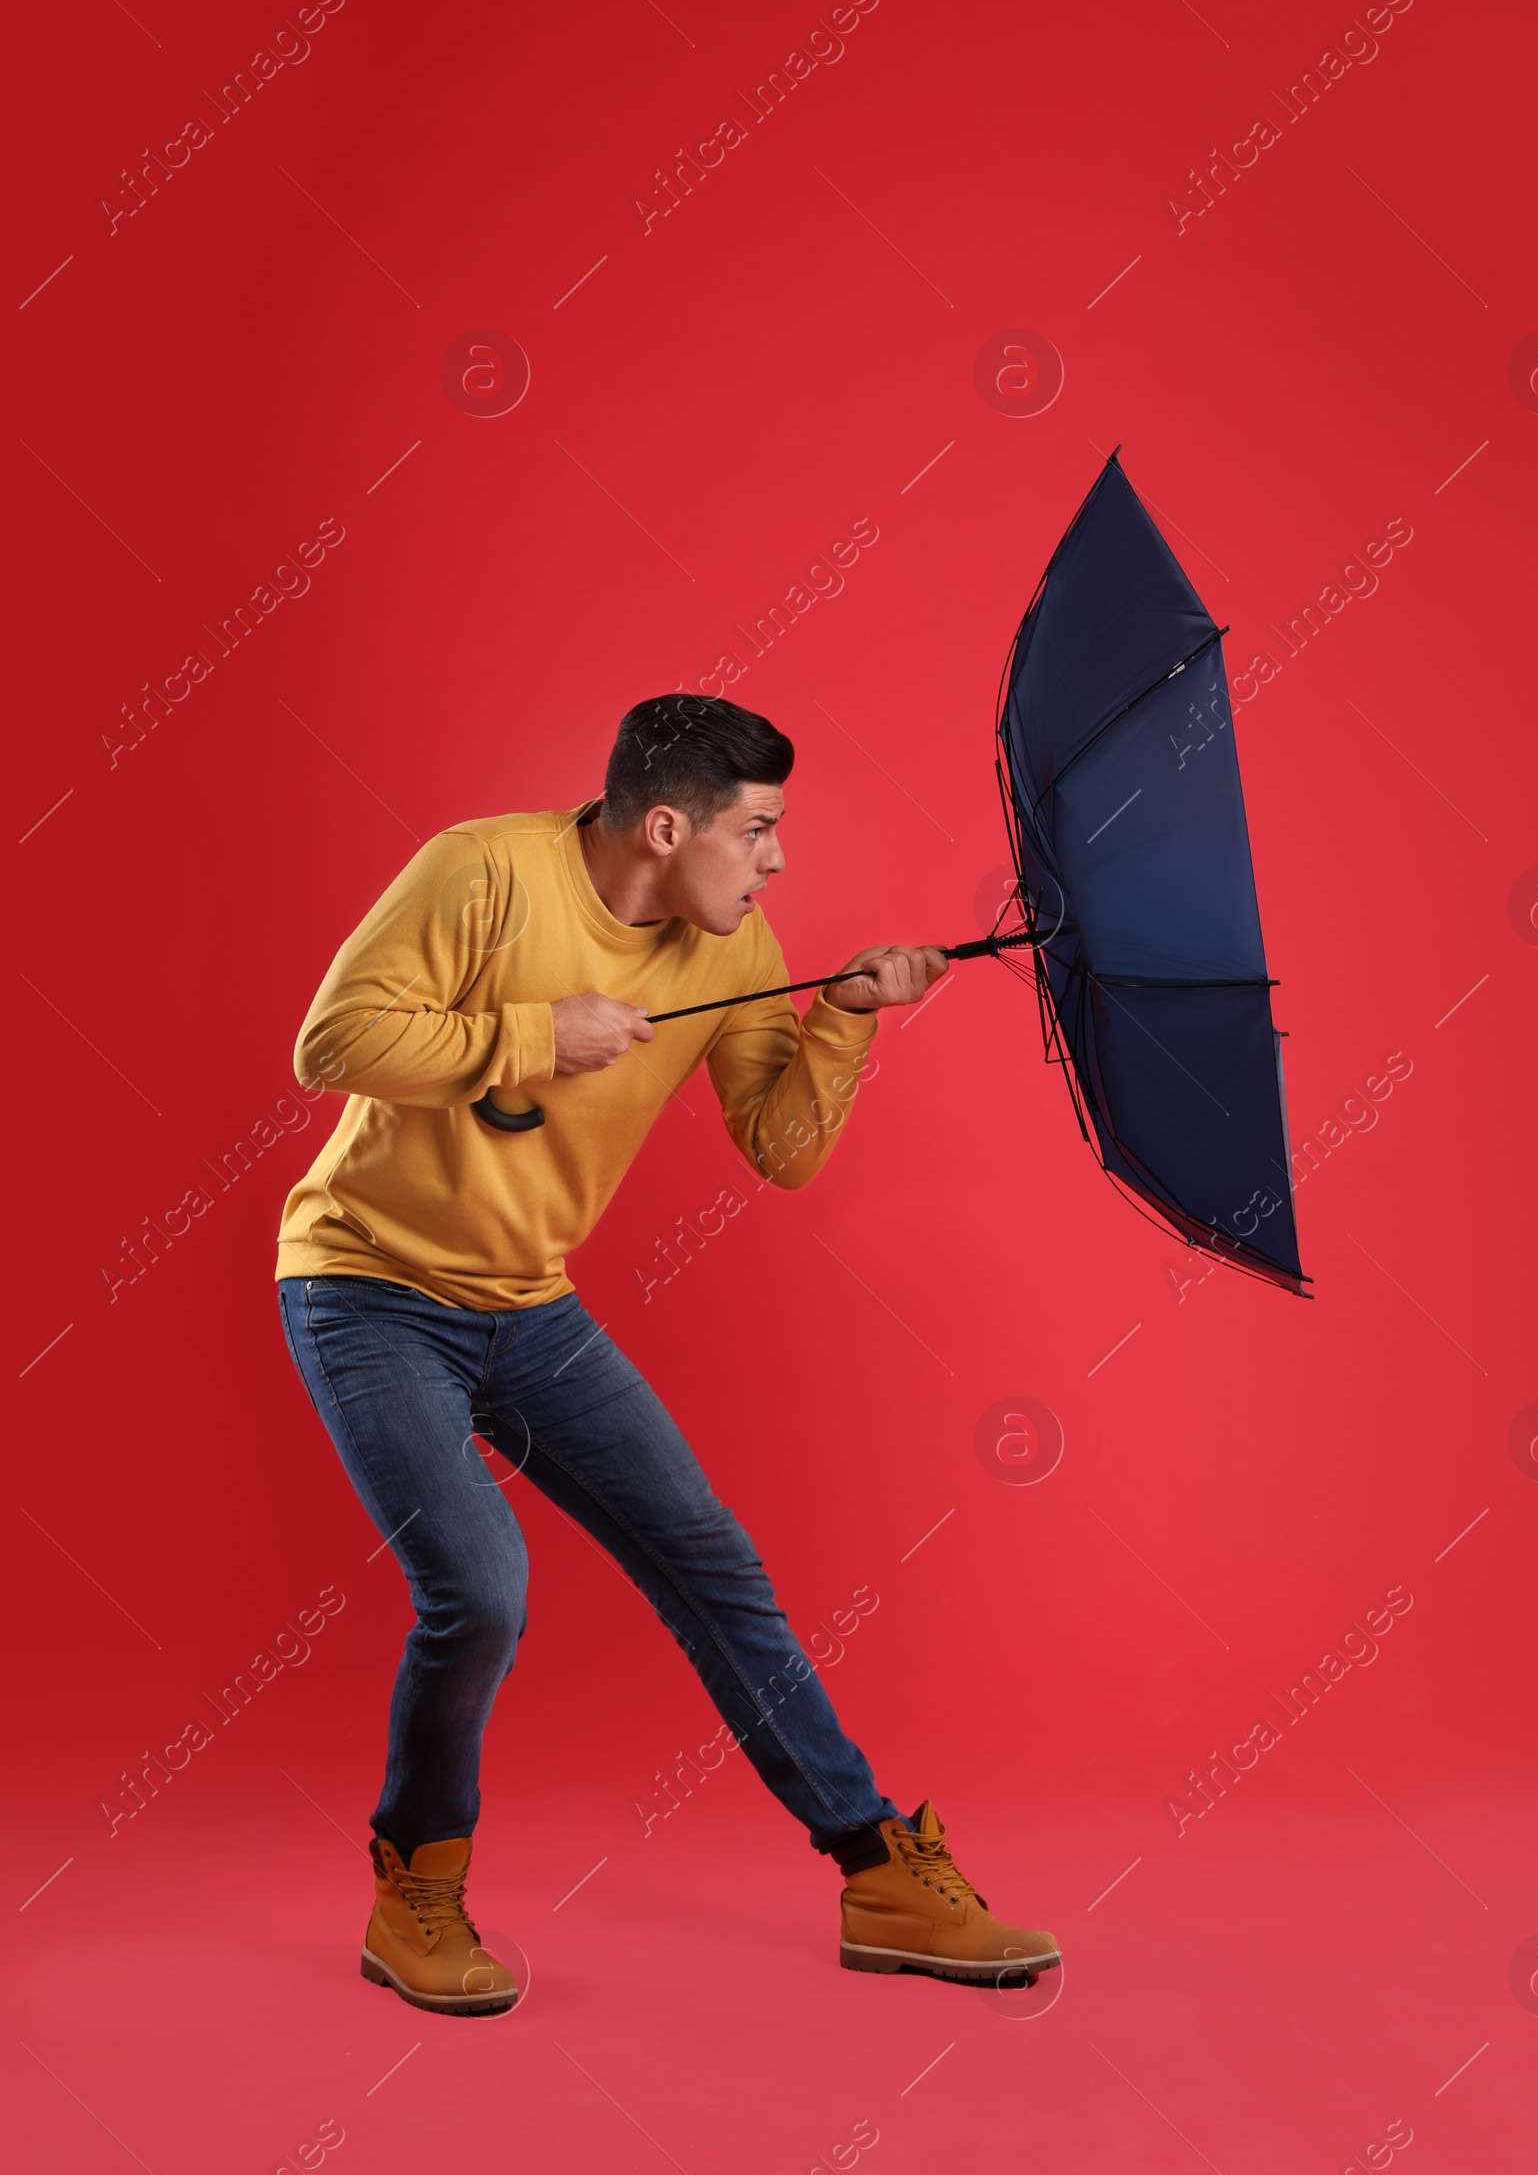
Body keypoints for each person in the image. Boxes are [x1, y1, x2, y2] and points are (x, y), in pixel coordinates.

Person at [275, 694, 1059, 2015]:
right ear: (663, 824)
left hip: (527, 1307)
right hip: (367, 1287)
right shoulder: (481, 872)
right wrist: (538, 1033)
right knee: (482, 1589)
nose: (775, 863)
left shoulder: (734, 940)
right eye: (757, 831)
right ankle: (415, 1888)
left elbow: (784, 1154)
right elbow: (331, 1044)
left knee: (711, 1560)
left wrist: (853, 1018)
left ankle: (877, 1871)